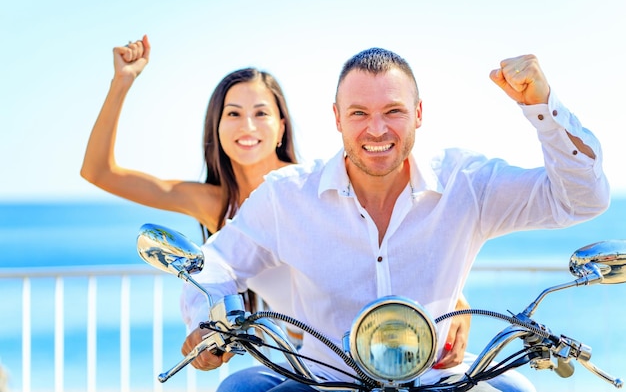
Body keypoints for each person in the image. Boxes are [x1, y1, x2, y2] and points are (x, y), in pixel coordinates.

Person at [179, 48, 610, 392]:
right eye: (359, 113)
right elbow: (215, 264)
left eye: (394, 111)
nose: (377, 130)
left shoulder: (466, 182)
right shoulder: (288, 195)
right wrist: (208, 321)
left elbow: (581, 200)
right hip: (326, 384)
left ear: (419, 114)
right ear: (337, 119)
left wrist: (542, 106)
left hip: (440, 383)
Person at [80, 37, 472, 368]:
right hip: (306, 356)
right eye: (233, 114)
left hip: (375, 345)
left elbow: (384, 231)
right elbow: (99, 172)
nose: (247, 126)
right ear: (216, 127)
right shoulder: (212, 202)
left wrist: (454, 294)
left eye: (261, 113)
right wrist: (122, 83)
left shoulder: (304, 191)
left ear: (281, 125)